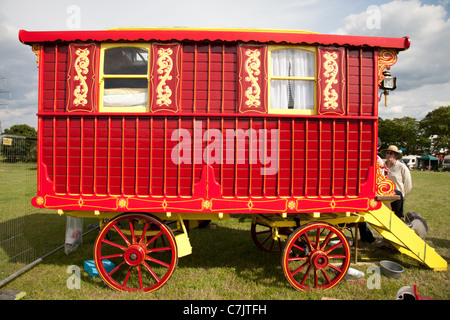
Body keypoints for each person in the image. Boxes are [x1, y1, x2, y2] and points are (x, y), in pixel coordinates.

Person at [381, 145, 412, 220]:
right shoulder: (381, 166)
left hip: (397, 198)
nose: (388, 155)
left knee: (397, 220)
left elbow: (408, 185)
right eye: (387, 153)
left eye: (391, 153)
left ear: (396, 155)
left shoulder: (402, 167)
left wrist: (402, 196)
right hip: (384, 199)